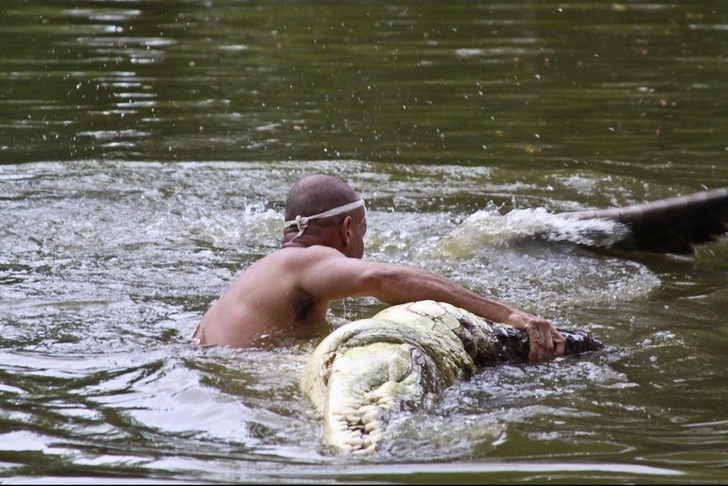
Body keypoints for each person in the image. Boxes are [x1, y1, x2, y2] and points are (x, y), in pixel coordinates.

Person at [192, 174, 566, 361]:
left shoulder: (254, 277)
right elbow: (383, 278)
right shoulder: (307, 261)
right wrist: (510, 315)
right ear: (347, 229)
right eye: (363, 234)